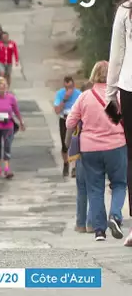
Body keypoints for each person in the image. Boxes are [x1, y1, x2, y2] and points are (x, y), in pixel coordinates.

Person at [66, 61, 127, 242]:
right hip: (116, 146)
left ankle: (99, 231)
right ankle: (114, 216)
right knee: (119, 184)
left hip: (90, 149)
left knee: (95, 189)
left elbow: (70, 122)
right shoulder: (118, 96)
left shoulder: (85, 96)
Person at [106, 0, 132, 246]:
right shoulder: (125, 11)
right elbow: (117, 55)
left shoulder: (126, 11)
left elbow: (117, 55)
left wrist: (110, 95)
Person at [65, 81, 93, 234]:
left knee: (82, 188)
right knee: (96, 188)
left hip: (82, 150)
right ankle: (92, 223)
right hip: (98, 148)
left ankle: (81, 223)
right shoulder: (101, 103)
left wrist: (69, 145)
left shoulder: (80, 105)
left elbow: (70, 126)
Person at [53, 75, 82, 177]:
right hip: (64, 120)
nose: (68, 90)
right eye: (66, 87)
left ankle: (75, 167)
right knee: (65, 145)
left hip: (76, 121)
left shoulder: (79, 94)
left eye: (70, 87)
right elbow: (56, 110)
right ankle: (66, 163)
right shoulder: (60, 94)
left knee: (75, 143)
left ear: (73, 85)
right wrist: (64, 99)